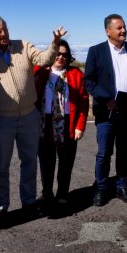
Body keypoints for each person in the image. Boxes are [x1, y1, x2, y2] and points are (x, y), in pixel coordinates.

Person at [0, 12, 66, 226]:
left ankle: (28, 202)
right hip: (2, 120)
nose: (3, 34)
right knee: (1, 166)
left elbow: (44, 60)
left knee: (29, 162)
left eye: (5, 29)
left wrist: (55, 43)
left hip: (29, 116)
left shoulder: (23, 45)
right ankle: (1, 206)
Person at [84, 14, 127, 207]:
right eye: (119, 28)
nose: (123, 30)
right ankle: (101, 188)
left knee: (124, 150)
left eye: (124, 27)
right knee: (104, 153)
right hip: (106, 111)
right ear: (108, 31)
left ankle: (122, 186)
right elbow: (89, 81)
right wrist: (106, 99)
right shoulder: (96, 51)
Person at [34, 40, 89, 207]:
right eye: (57, 53)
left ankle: (63, 192)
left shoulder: (76, 74)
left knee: (66, 161)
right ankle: (47, 193)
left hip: (67, 122)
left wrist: (80, 126)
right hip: (44, 122)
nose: (60, 57)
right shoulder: (40, 71)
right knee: (46, 161)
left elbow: (83, 103)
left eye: (65, 55)